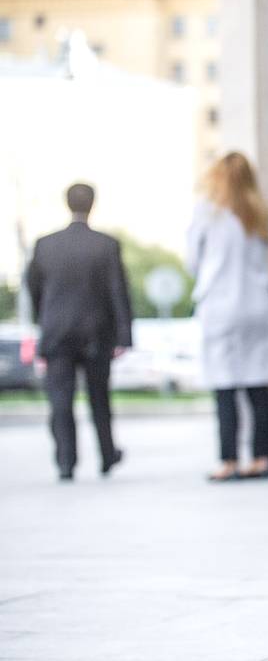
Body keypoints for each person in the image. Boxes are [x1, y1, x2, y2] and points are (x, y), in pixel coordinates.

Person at [186, 152, 268, 482]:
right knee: (258, 387)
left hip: (220, 306)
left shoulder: (206, 212)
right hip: (258, 304)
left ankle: (228, 460)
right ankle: (261, 457)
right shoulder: (261, 212)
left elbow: (193, 261)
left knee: (224, 386)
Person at [25, 183, 133, 482]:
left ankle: (65, 462)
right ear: (93, 204)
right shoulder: (106, 245)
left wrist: (44, 319)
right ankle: (107, 456)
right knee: (100, 398)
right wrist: (124, 336)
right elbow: (118, 291)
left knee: (60, 401)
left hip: (57, 332)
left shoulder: (45, 245)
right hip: (97, 333)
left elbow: (33, 288)